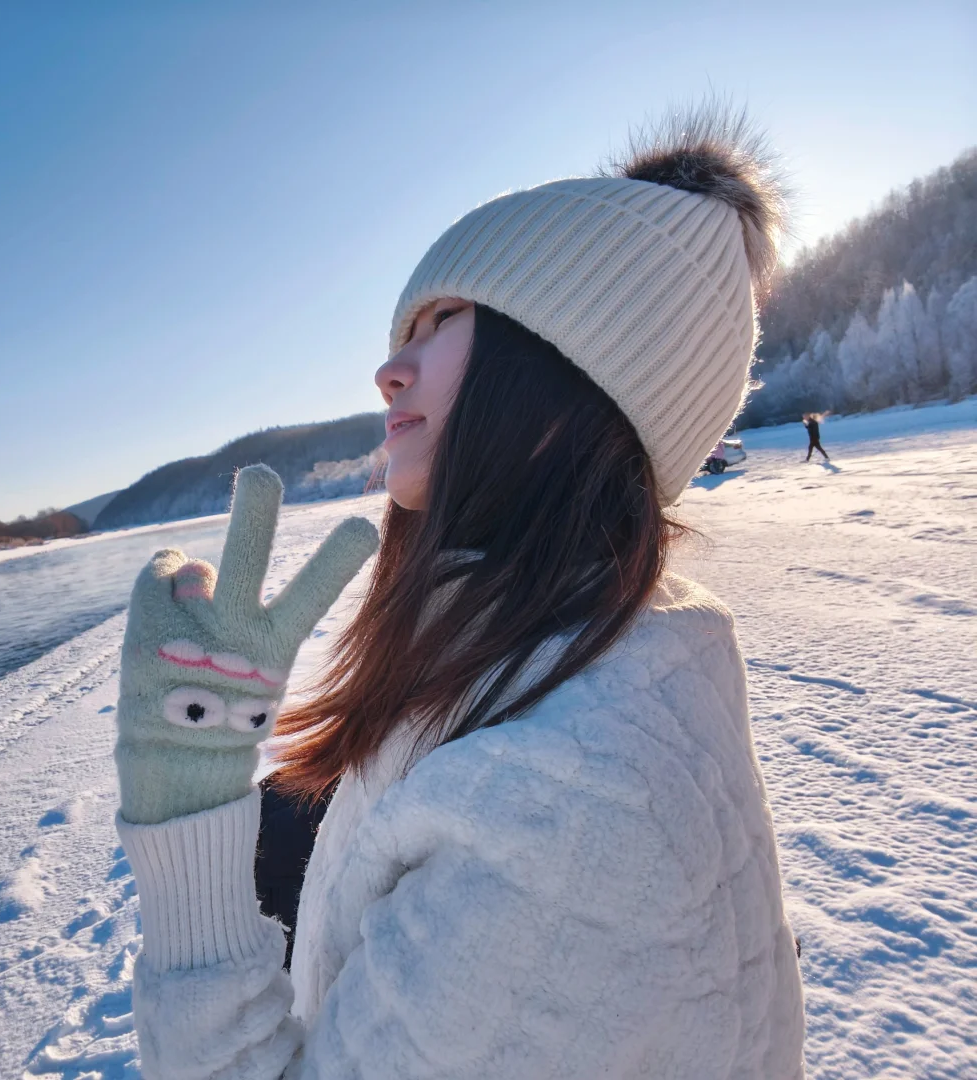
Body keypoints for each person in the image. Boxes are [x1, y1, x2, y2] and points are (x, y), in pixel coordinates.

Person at [108, 105, 805, 1078]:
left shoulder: (559, 803)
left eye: (442, 325)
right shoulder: (606, 645)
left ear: (577, 376)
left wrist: (185, 806)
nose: (388, 370)